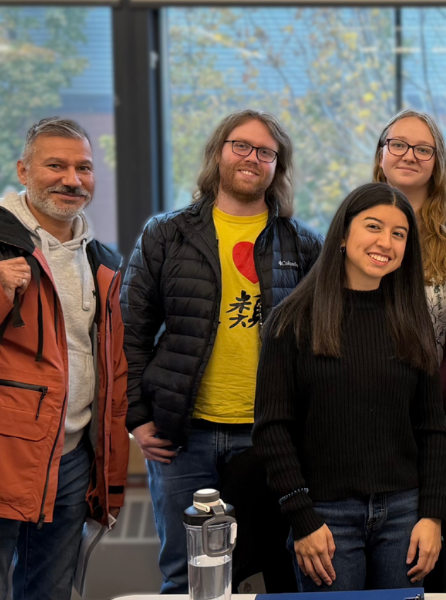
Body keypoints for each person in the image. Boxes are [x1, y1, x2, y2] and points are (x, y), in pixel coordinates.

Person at [123, 109, 323, 592]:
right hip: (181, 437)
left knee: (282, 572)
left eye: (266, 152)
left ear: (278, 166)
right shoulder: (165, 234)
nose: (252, 158)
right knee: (185, 575)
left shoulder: (303, 244)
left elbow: (320, 346)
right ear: (218, 152)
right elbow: (130, 329)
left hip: (270, 440)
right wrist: (137, 416)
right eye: (241, 146)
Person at [0, 117, 129, 600]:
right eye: (56, 165)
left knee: (51, 591)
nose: (72, 179)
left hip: (74, 455)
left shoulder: (102, 259)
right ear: (23, 171)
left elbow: (111, 366)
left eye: (84, 168)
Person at [252, 182, 446, 591]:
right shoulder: (291, 322)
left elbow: (432, 429)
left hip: (404, 516)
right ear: (343, 234)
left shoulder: (412, 324)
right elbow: (272, 431)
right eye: (374, 227)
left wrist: (432, 516)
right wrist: (302, 519)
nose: (386, 242)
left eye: (399, 234)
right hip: (325, 518)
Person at [370, 109, 446, 592]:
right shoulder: (354, 225)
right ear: (380, 155)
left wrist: (420, 401)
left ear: (437, 163)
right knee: (394, 564)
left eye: (423, 148)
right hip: (373, 428)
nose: (409, 156)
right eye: (398, 144)